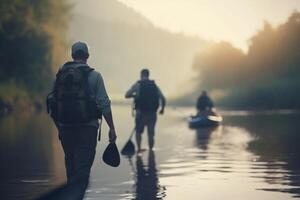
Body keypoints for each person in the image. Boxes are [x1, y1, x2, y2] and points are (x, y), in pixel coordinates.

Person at [47, 41, 117, 200]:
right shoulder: (95, 76)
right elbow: (104, 103)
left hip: (66, 129)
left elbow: (52, 103)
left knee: (71, 168)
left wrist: (59, 128)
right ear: (87, 55)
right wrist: (111, 128)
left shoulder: (61, 75)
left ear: (72, 55)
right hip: (88, 129)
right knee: (82, 172)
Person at [125, 69, 166, 153]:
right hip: (152, 114)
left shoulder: (138, 85)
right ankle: (151, 151)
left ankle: (139, 149)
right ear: (148, 75)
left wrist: (135, 95)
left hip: (140, 114)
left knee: (139, 132)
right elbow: (163, 98)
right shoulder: (154, 86)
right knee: (151, 134)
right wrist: (162, 109)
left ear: (141, 75)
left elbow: (127, 95)